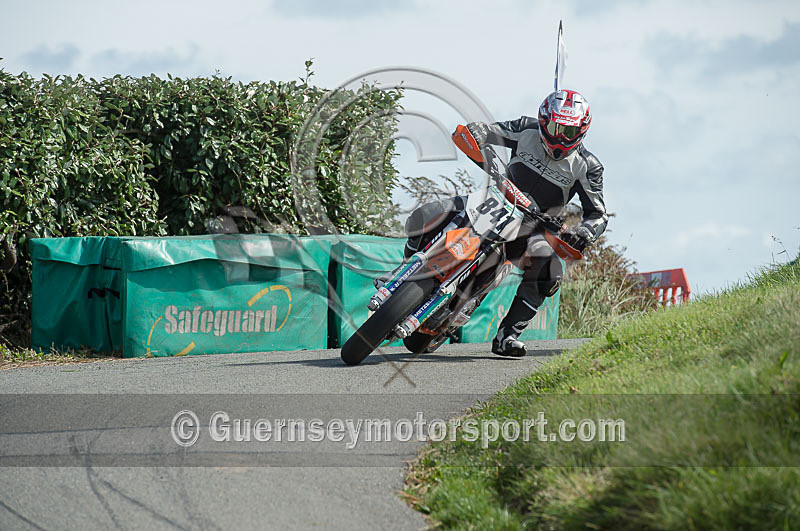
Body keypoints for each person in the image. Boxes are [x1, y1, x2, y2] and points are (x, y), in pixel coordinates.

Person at [403, 89, 608, 357]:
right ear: (543, 121)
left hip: (535, 228)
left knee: (551, 275)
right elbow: (488, 131)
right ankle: (405, 271)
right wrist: (476, 131)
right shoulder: (526, 129)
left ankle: (507, 336)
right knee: (425, 214)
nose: (559, 138)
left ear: (581, 132)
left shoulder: (589, 166)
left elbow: (598, 214)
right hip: (496, 201)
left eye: (568, 133)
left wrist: (584, 232)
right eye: (555, 127)